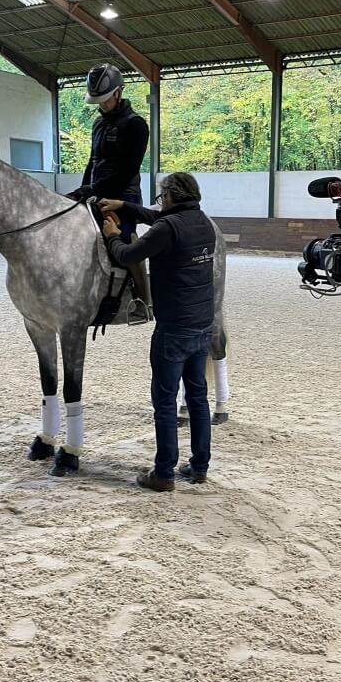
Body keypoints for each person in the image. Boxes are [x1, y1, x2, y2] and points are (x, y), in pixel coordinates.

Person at [99, 172, 216, 492]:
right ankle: (199, 465)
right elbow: (159, 218)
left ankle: (163, 473)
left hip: (173, 329)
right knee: (197, 399)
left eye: (162, 196)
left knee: (165, 402)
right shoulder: (202, 221)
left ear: (172, 197)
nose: (160, 202)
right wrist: (126, 205)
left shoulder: (167, 228)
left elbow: (127, 255)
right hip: (202, 325)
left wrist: (112, 234)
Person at [68, 63, 151, 316]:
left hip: (124, 194)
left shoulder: (136, 125)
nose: (101, 105)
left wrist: (93, 189)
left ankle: (142, 299)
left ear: (118, 92)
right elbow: (92, 161)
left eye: (104, 99)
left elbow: (127, 170)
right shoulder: (98, 124)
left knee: (123, 239)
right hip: (96, 189)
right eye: (97, 101)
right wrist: (81, 190)